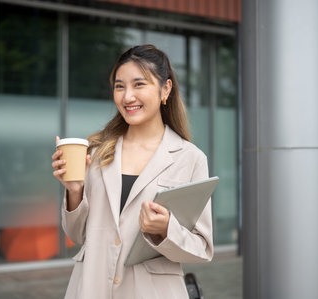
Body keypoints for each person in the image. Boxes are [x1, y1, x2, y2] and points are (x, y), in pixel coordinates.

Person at [51, 44, 213, 299]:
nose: (127, 97)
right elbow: (77, 234)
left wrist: (166, 228)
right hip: (92, 289)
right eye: (119, 86)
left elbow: (202, 248)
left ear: (165, 89)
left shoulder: (190, 158)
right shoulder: (97, 151)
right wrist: (75, 191)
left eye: (139, 84)